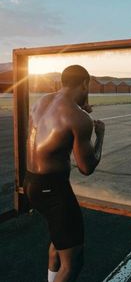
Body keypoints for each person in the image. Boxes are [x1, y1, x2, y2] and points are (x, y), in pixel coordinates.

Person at [23, 65, 105, 282]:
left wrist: (80, 109)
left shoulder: (41, 102)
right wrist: (100, 136)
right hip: (54, 191)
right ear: (85, 83)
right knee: (73, 262)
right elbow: (87, 168)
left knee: (59, 242)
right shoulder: (79, 118)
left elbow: (56, 122)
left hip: (31, 183)